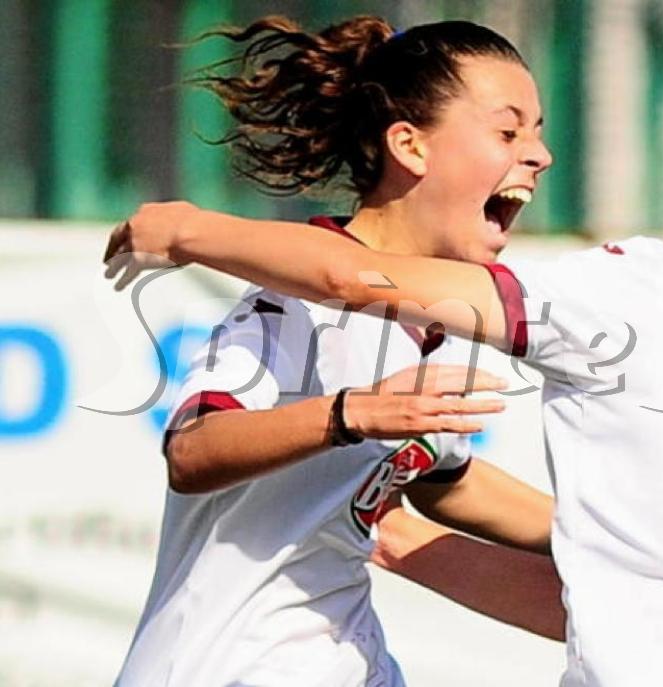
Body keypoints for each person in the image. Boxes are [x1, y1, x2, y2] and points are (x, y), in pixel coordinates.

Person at [106, 76, 663, 686]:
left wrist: (188, 229)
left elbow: (356, 277)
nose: (539, 155)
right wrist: (399, 533)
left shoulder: (645, 292)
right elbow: (592, 590)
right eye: (509, 129)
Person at [110, 16, 558, 687]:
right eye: (508, 130)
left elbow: (446, 479)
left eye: (540, 130)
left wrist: (614, 525)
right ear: (409, 144)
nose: (540, 154)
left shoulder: (439, 317)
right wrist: (347, 413)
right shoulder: (294, 303)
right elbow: (193, 450)